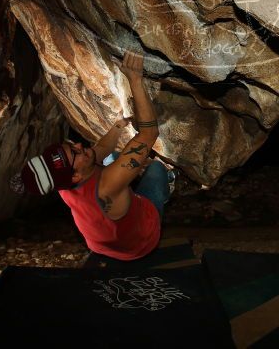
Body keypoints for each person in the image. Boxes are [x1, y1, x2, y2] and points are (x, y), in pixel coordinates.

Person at [13, 50, 174, 260]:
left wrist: (117, 128)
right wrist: (135, 80)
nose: (79, 145)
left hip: (104, 245)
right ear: (75, 176)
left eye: (72, 145)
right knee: (156, 169)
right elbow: (149, 133)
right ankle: (168, 183)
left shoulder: (62, 182)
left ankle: (128, 187)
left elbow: (98, 151)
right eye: (75, 152)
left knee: (110, 158)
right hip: (141, 242)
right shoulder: (107, 185)